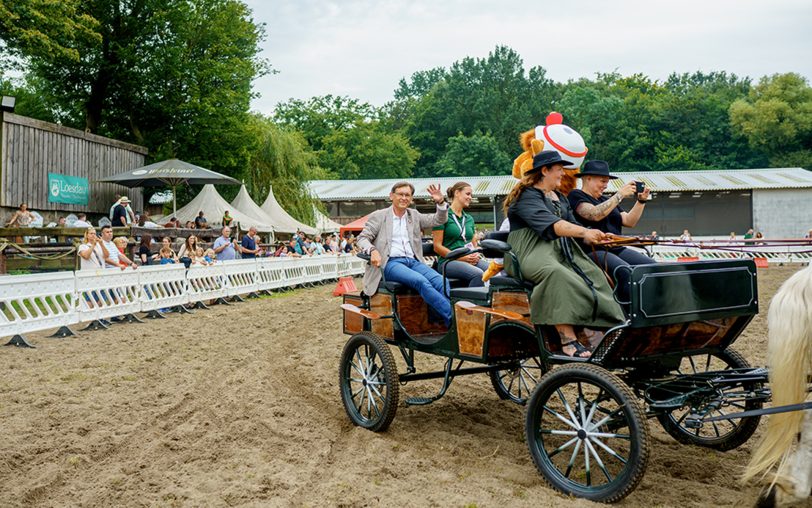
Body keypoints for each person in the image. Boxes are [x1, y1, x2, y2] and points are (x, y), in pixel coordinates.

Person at [504, 150, 625, 358]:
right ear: (545, 171)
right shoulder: (527, 196)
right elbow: (552, 225)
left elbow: (574, 226)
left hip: (562, 250)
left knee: (595, 275)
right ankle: (567, 339)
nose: (563, 174)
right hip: (530, 251)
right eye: (559, 170)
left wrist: (595, 236)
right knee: (557, 274)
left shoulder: (560, 197)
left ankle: (608, 332)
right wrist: (585, 231)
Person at [357, 181, 452, 326]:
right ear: (391, 196)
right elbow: (362, 238)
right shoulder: (379, 216)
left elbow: (439, 219)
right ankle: (453, 318)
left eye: (407, 195)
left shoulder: (413, 215)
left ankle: (442, 319)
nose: (404, 198)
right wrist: (373, 250)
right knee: (421, 282)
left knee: (442, 282)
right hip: (390, 263)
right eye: (400, 194)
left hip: (413, 261)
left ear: (411, 199)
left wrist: (440, 202)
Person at [567, 160, 655, 294]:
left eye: (607, 182)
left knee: (652, 267)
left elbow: (629, 221)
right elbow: (593, 214)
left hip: (616, 248)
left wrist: (641, 201)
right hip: (593, 251)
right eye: (602, 181)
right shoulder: (575, 195)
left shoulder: (606, 199)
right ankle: (625, 312)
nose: (606, 186)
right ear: (588, 178)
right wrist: (619, 195)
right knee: (624, 271)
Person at [432, 181, 490, 287]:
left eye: (471, 195)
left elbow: (473, 244)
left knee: (492, 271)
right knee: (478, 274)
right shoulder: (442, 216)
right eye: (468, 194)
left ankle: (490, 302)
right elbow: (437, 246)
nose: (470, 197)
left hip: (468, 259)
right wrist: (458, 258)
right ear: (457, 193)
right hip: (448, 261)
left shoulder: (469, 219)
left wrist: (475, 254)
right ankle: (470, 303)